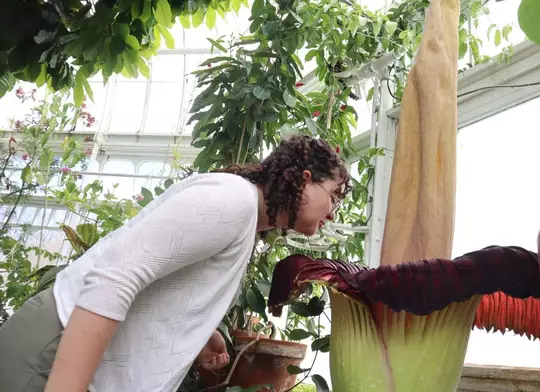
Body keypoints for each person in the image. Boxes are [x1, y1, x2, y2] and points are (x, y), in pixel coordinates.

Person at [0, 134, 351, 392]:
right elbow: (115, 277)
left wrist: (201, 333)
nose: (333, 212)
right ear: (305, 179)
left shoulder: (246, 217)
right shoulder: (235, 200)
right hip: (53, 353)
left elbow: (162, 278)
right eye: (333, 195)